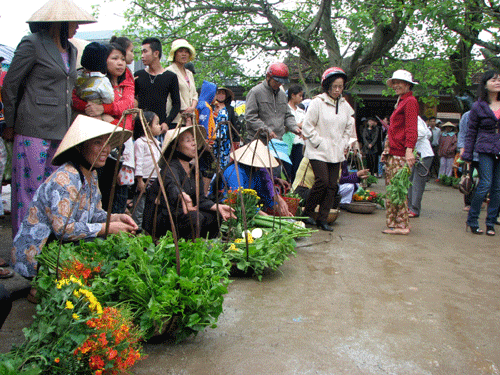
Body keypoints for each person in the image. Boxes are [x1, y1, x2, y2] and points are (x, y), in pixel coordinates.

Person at [1, 0, 96, 238]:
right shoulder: (32, 44)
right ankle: (23, 251)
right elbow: (11, 84)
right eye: (74, 23)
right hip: (32, 127)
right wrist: (10, 123)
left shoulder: (72, 50)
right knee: (29, 191)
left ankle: (47, 247)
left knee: (54, 190)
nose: (77, 27)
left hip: (61, 130)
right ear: (60, 23)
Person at [11, 115, 137, 279]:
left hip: (61, 245)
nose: (106, 149)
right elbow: (63, 230)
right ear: (80, 147)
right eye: (98, 143)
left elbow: (95, 213)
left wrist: (116, 219)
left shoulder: (91, 174)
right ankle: (38, 286)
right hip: (39, 255)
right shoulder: (66, 179)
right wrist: (108, 228)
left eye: (107, 143)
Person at [72, 43, 136, 213]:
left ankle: (117, 227)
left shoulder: (127, 81)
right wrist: (96, 111)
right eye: (114, 58)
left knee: (119, 189)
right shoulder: (91, 80)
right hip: (96, 140)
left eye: (123, 59)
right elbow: (75, 100)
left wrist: (104, 112)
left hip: (119, 139)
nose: (120, 63)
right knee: (97, 185)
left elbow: (128, 106)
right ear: (103, 61)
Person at [143, 126, 235, 240]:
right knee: (195, 218)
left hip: (181, 213)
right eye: (188, 141)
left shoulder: (194, 170)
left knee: (215, 216)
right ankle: (185, 249)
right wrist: (181, 194)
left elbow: (200, 199)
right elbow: (172, 185)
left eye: (193, 140)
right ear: (175, 146)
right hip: (164, 216)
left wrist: (218, 207)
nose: (193, 144)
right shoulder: (170, 168)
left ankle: (205, 246)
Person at [302, 67, 354, 232]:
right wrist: (319, 142)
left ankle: (323, 219)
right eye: (334, 86)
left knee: (333, 185)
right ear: (327, 86)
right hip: (318, 150)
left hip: (336, 151)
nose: (337, 90)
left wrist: (344, 142)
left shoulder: (345, 105)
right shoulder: (318, 102)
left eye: (340, 86)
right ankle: (307, 212)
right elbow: (307, 126)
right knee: (322, 181)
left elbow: (348, 127)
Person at [462, 70, 500, 236]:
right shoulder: (478, 106)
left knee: (498, 188)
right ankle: (472, 220)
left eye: (499, 80)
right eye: (493, 80)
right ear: (485, 84)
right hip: (485, 149)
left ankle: (491, 222)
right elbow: (471, 133)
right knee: (485, 184)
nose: (497, 82)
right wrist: (467, 156)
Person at [381, 69, 418, 235]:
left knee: (398, 189)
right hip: (393, 151)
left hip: (401, 152)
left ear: (408, 84)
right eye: (394, 82)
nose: (395, 85)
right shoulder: (401, 101)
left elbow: (411, 128)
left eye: (399, 82)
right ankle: (396, 223)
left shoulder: (410, 101)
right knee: (392, 188)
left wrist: (409, 151)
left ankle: (401, 225)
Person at [217, 139, 293, 216]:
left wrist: (278, 207)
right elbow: (239, 199)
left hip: (246, 208)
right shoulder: (235, 172)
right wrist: (262, 214)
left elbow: (264, 193)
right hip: (228, 209)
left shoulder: (255, 173)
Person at [245, 62, 301, 143]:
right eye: (276, 81)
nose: (278, 84)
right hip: (258, 141)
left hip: (278, 141)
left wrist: (294, 127)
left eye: (281, 82)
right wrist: (267, 130)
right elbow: (250, 117)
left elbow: (287, 115)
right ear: (268, 77)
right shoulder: (255, 92)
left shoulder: (282, 95)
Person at [134, 37, 180, 134]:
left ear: (156, 53)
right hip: (141, 128)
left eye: (145, 52)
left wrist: (167, 122)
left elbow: (176, 104)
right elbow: (132, 99)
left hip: (159, 128)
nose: (142, 56)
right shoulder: (138, 75)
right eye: (141, 52)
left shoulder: (170, 76)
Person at [132, 111, 162, 230]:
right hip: (144, 179)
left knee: (151, 205)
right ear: (147, 126)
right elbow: (138, 162)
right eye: (157, 124)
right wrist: (139, 180)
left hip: (155, 179)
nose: (160, 126)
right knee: (140, 206)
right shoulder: (140, 143)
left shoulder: (156, 142)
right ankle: (136, 228)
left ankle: (148, 229)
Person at [74, 42, 114, 121]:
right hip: (96, 114)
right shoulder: (102, 81)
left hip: (78, 114)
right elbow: (109, 99)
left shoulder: (77, 76)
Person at [166, 39, 198, 127]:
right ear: (174, 54)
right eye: (180, 51)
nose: (184, 54)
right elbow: (176, 95)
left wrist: (192, 108)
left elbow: (194, 94)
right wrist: (186, 114)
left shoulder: (189, 73)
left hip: (191, 118)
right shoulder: (169, 71)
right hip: (176, 119)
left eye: (186, 52)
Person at [407, 116, 434, 217]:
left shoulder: (413, 118)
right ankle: (410, 206)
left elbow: (423, 133)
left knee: (417, 183)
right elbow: (428, 133)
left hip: (423, 155)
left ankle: (414, 209)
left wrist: (409, 139)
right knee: (410, 181)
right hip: (417, 154)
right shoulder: (415, 119)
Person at [284, 85, 305, 182]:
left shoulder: (301, 111)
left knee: (298, 169)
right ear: (293, 95)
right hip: (287, 142)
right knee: (287, 169)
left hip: (299, 142)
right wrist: (298, 125)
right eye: (299, 95)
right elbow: (284, 124)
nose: (301, 98)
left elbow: (305, 124)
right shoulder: (285, 109)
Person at [457, 110, 476, 211]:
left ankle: (479, 200)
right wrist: (462, 148)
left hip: (487, 151)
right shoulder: (468, 115)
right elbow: (462, 133)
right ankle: (468, 202)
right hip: (471, 152)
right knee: (469, 177)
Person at [212, 87, 233, 169]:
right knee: (213, 160)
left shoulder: (230, 109)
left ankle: (223, 179)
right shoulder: (211, 107)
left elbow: (233, 124)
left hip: (226, 139)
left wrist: (235, 140)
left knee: (225, 161)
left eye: (223, 93)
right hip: (213, 138)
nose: (221, 95)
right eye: (219, 93)